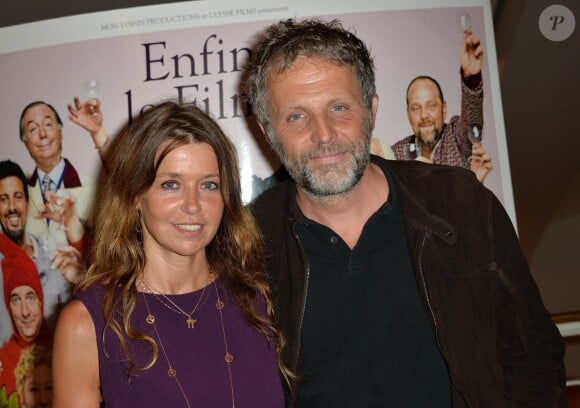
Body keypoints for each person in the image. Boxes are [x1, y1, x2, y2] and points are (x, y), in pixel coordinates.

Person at [247, 18, 566, 407]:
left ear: (372, 110)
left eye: (339, 107)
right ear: (268, 130)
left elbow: (531, 353)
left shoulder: (461, 205)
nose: (324, 134)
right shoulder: (248, 244)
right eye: (297, 116)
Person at [52, 101, 288, 407]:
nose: (193, 205)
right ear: (135, 195)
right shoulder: (88, 323)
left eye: (209, 185)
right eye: (171, 184)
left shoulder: (260, 301)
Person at [391, 29, 493, 182]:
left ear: (444, 109)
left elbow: (472, 118)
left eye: (431, 106)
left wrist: (471, 77)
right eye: (416, 108)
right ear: (408, 115)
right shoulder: (396, 156)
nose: (424, 115)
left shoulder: (457, 139)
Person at [0, 160, 85, 343]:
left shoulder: (53, 257)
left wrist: (81, 277)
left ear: (28, 203)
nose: (12, 207)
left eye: (18, 197)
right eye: (3, 199)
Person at [19, 101, 97, 250]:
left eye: (48, 124)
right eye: (33, 129)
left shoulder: (92, 187)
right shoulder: (20, 194)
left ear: (60, 132)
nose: (43, 134)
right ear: (26, 143)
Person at [0, 248, 50, 402]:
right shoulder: (2, 361)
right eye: (16, 300)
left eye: (30, 297)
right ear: (9, 306)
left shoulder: (61, 348)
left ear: (40, 301)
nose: (25, 311)